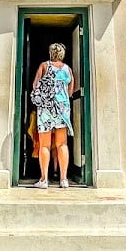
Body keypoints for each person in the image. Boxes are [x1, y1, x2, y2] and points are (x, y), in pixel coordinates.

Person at [30, 43, 75, 189]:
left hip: (46, 109)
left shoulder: (44, 66)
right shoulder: (68, 69)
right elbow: (70, 92)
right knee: (62, 144)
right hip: (62, 109)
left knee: (45, 145)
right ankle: (63, 179)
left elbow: (35, 85)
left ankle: (44, 180)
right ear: (62, 54)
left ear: (51, 53)